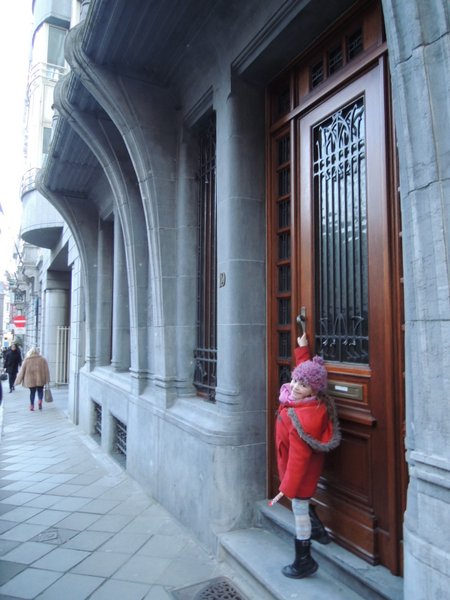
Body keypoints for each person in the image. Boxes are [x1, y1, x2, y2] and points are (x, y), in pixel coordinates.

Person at [275, 331, 341, 579]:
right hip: (304, 472)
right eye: (294, 380)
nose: (294, 386)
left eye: (301, 385)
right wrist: (303, 349)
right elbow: (306, 375)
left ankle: (304, 560)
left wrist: (287, 487)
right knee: (300, 503)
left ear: (312, 390)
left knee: (298, 509)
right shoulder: (311, 401)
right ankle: (319, 531)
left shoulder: (300, 416)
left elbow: (298, 459)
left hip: (299, 475)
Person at [15, 347, 50, 411]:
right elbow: (46, 371)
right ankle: (40, 401)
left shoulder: (27, 360)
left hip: (30, 380)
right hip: (40, 379)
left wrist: (17, 381)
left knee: (32, 393)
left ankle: (32, 406)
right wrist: (47, 380)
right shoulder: (43, 359)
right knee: (40, 390)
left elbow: (22, 371)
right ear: (38, 352)